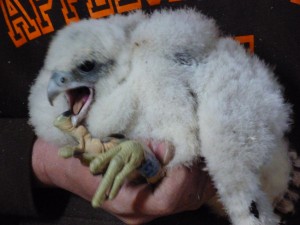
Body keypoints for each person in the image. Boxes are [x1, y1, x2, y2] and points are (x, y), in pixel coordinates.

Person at [0, 0, 299, 225]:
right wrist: (43, 161)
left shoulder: (156, 65)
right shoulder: (59, 101)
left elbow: (185, 140)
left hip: (269, 180)